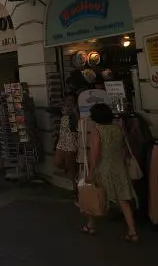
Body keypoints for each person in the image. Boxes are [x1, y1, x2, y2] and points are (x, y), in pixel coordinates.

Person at [80, 103, 138, 241]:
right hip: (118, 167)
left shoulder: (97, 130)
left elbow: (96, 154)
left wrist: (91, 172)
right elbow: (124, 149)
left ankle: (91, 225)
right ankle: (132, 231)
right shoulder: (118, 128)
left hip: (103, 168)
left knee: (96, 196)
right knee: (123, 199)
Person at [55, 94, 79, 197]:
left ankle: (75, 188)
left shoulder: (75, 112)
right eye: (68, 100)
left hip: (71, 140)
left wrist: (74, 113)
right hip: (62, 140)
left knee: (71, 167)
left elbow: (77, 126)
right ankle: (70, 170)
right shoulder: (63, 111)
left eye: (71, 100)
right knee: (58, 163)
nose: (69, 102)